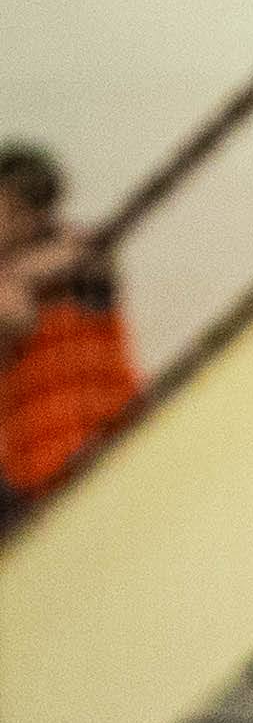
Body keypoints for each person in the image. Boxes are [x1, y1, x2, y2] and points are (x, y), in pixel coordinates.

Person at [0, 144, 140, 506]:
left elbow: (79, 253)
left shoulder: (78, 256)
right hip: (34, 480)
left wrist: (17, 276)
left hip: (108, 452)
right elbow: (14, 314)